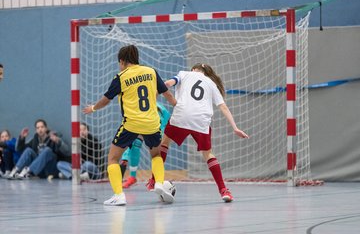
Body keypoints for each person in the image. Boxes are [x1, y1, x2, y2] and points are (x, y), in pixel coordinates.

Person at [83, 45, 177, 206]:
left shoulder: (121, 77)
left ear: (122, 61)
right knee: (156, 155)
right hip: (152, 123)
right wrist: (177, 105)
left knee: (112, 158)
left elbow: (106, 99)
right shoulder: (151, 72)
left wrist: (93, 108)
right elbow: (166, 93)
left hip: (131, 124)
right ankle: (160, 184)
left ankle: (119, 195)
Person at [148, 63, 249, 202]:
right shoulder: (211, 83)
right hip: (201, 120)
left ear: (194, 70)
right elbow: (223, 107)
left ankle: (154, 180)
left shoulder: (184, 74)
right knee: (208, 154)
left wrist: (155, 94)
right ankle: (224, 191)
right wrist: (235, 127)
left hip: (182, 115)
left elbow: (167, 84)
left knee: (164, 144)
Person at [120, 103, 171, 188]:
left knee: (157, 152)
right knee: (135, 143)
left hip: (161, 126)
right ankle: (132, 177)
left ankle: (156, 179)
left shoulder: (162, 114)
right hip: (145, 121)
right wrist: (125, 158)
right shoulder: (136, 112)